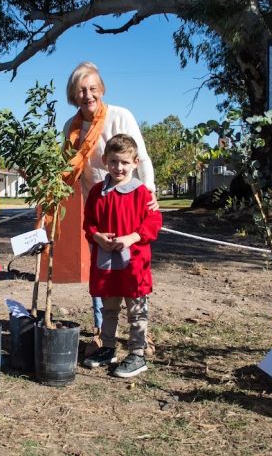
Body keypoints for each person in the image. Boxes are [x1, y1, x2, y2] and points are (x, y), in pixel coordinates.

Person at [61, 61, 158, 348]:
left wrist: (149, 192)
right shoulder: (71, 127)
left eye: (92, 88)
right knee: (102, 272)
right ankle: (103, 332)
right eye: (81, 90)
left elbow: (141, 157)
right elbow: (69, 168)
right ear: (73, 95)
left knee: (132, 271)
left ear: (101, 89)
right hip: (99, 204)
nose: (88, 95)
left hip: (130, 203)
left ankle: (139, 337)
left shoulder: (119, 115)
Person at [82, 134, 162, 377]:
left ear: (135, 162)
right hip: (106, 263)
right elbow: (89, 223)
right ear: (105, 161)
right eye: (114, 162)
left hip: (134, 264)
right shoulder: (97, 192)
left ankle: (137, 353)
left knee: (136, 310)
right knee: (109, 307)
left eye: (125, 162)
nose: (119, 167)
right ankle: (108, 347)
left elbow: (154, 221)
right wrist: (96, 236)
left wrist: (132, 237)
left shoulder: (142, 193)